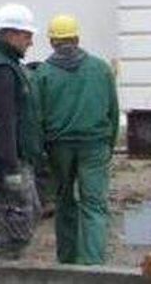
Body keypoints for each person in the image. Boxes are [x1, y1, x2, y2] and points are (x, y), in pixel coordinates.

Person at [34, 14, 119, 265]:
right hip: (95, 145)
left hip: (58, 147)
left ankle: (67, 261)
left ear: (52, 41)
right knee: (94, 204)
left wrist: (42, 151)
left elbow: (37, 116)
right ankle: (93, 264)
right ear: (77, 38)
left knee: (64, 201)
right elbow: (113, 112)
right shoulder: (101, 69)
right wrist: (109, 146)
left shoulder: (43, 74)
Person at [0, 3, 43, 260]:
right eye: (27, 35)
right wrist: (10, 168)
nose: (31, 42)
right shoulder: (2, 70)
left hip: (11, 159)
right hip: (8, 163)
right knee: (19, 227)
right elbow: (4, 122)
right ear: (11, 34)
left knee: (23, 216)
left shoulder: (4, 64)